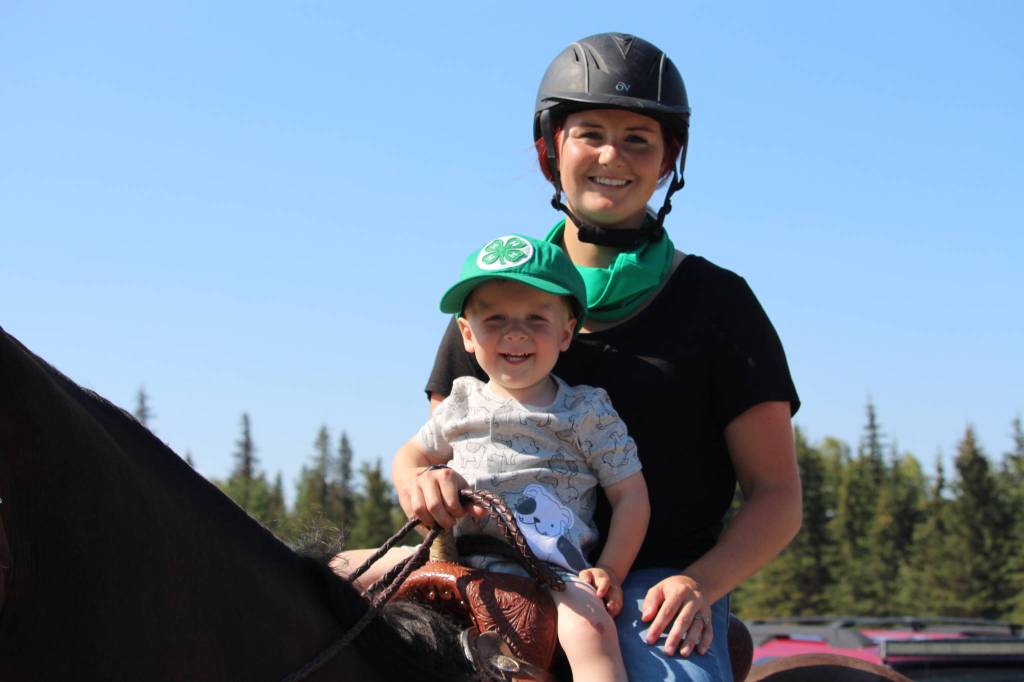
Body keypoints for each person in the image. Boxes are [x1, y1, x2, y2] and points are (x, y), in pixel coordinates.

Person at [336, 32, 802, 682]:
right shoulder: (487, 299)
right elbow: (435, 453)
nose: (613, 155)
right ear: (548, 152)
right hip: (485, 566)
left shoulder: (720, 305)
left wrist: (699, 584)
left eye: (639, 138)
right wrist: (422, 485)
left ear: (670, 158)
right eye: (590, 133)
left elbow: (777, 496)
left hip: (653, 590)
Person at [393, 234, 650, 682]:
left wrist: (610, 568)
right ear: (467, 335)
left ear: (567, 331)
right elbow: (410, 455)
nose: (516, 332)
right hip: (457, 556)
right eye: (495, 319)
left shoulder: (586, 412)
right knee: (340, 578)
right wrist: (417, 485)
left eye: (536, 318)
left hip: (553, 573)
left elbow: (630, 495)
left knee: (590, 629)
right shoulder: (461, 402)